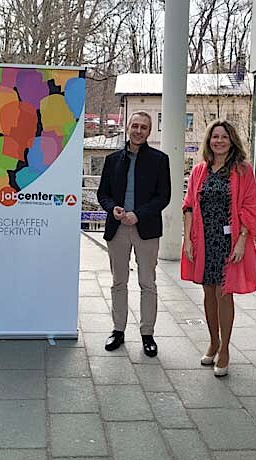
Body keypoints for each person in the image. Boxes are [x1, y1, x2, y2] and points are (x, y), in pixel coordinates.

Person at [181, 119, 256, 377]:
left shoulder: (242, 170)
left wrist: (241, 240)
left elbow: (251, 207)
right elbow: (189, 205)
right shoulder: (200, 171)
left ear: (232, 141)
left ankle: (225, 349)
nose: (218, 141)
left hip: (228, 243)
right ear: (209, 141)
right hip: (204, 241)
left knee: (224, 294)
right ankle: (213, 341)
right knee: (208, 294)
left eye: (223, 137)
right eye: (214, 137)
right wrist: (188, 239)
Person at [97, 111, 171, 356]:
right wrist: (113, 209)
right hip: (118, 228)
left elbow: (163, 197)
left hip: (146, 229)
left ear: (150, 132)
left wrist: (138, 214)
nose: (139, 131)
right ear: (128, 127)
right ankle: (118, 330)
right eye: (135, 126)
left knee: (147, 283)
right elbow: (102, 194)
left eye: (144, 127)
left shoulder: (160, 160)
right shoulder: (112, 160)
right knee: (119, 282)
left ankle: (147, 334)